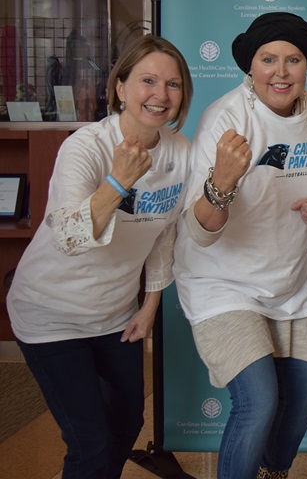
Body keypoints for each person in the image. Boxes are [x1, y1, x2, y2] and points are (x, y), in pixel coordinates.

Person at [7, 34, 193, 478]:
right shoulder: (85, 146)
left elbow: (164, 235)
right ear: (121, 87)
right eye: (148, 80)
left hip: (114, 316)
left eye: (173, 84)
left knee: (128, 421)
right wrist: (117, 182)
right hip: (50, 316)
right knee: (88, 440)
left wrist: (149, 307)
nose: (160, 95)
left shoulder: (180, 152)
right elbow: (70, 237)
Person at [173, 12, 307, 479]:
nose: (281, 72)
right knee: (258, 398)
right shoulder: (227, 118)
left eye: (294, 59)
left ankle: (273, 471)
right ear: (250, 66)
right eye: (268, 59)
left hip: (288, 277)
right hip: (220, 279)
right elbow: (201, 230)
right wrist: (221, 183)